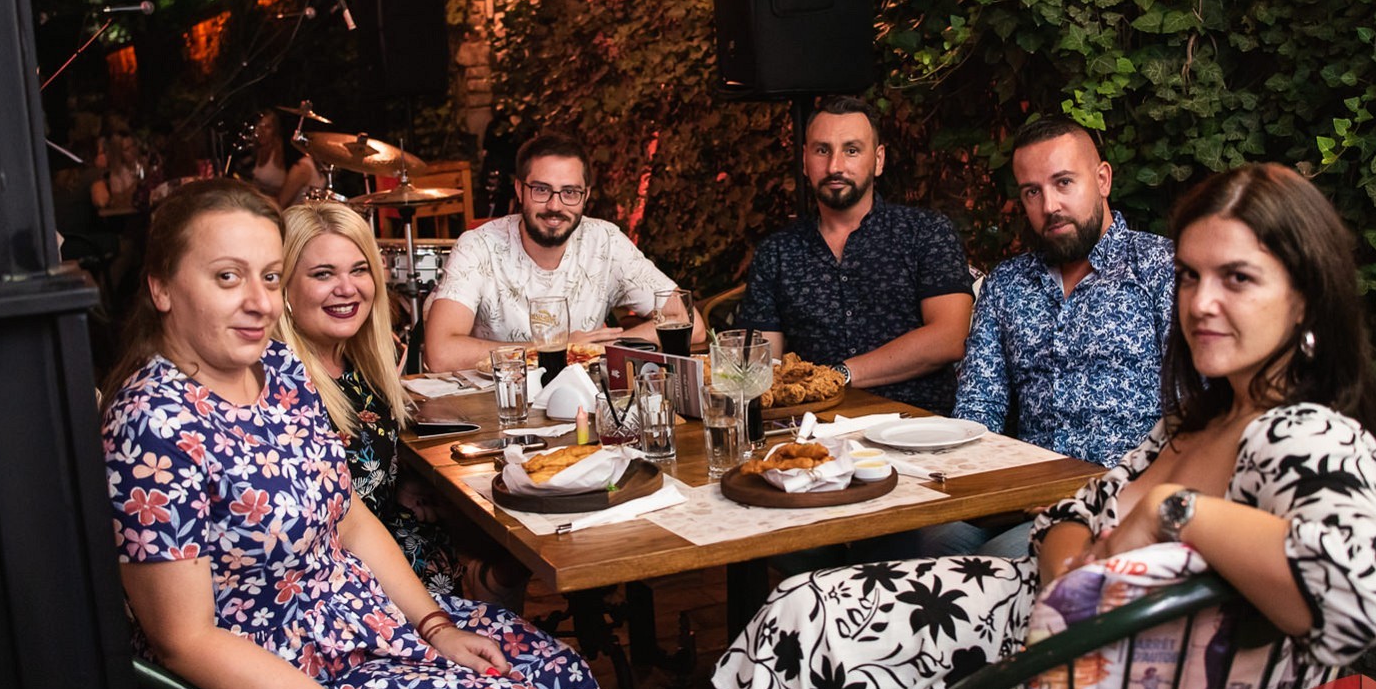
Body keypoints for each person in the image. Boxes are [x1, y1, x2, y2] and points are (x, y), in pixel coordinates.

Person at [679, 163, 1376, 689]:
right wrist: (1065, 583)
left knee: (806, 645)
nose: (1200, 302)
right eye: (1188, 276)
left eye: (1236, 278)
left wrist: (1172, 511)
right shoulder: (1197, 419)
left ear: (1305, 297)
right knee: (804, 633)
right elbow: (1074, 508)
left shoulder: (1301, 434)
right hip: (1048, 651)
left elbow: (1359, 600)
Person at [101, 179, 613, 689]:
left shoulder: (280, 370)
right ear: (161, 288)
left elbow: (348, 515)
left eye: (269, 277)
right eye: (228, 277)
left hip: (357, 632)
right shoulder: (153, 422)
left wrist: (435, 626)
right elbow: (186, 641)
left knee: (559, 673)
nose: (258, 302)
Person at [277, 202, 527, 604]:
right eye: (323, 274)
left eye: (359, 270)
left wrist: (396, 482)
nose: (347, 288)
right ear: (284, 285)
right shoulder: (279, 380)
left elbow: (361, 457)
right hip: (338, 585)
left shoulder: (363, 361)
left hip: (403, 559)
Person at [954, 116, 1175, 468]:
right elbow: (978, 407)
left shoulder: (1161, 266)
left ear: (1103, 180)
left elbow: (1194, 409)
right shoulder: (1007, 283)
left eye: (1064, 182)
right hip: (1027, 483)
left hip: (1127, 486)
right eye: (1032, 191)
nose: (1050, 206)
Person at [739, 95, 974, 415]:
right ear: (805, 160)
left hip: (917, 425)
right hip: (817, 428)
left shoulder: (925, 232)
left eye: (851, 150)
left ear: (878, 160)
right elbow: (762, 366)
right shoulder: (776, 253)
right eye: (822, 150)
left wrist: (839, 375)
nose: (835, 166)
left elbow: (950, 336)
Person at [424, 131, 703, 371]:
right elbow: (440, 354)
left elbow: (690, 323)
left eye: (569, 192)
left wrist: (603, 347)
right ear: (520, 190)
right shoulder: (478, 246)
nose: (555, 206)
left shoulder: (605, 242)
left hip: (583, 403)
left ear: (586, 196)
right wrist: (558, 348)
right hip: (499, 405)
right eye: (541, 190)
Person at [248, 109, 327, 208]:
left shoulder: (301, 166)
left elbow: (281, 202)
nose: (262, 131)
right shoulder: (256, 150)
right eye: (259, 126)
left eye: (267, 127)